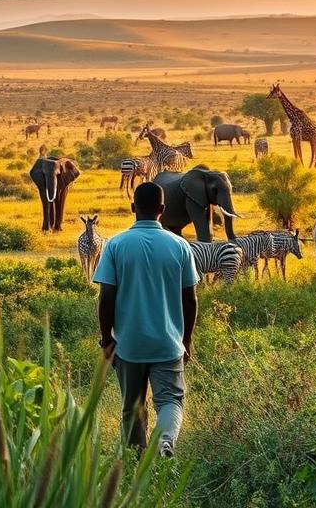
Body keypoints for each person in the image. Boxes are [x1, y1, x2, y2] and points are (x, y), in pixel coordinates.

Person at [93, 181, 199, 458]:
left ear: (132, 208)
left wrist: (107, 340)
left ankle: (135, 462)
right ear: (163, 209)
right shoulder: (180, 246)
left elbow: (106, 298)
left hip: (128, 345)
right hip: (168, 344)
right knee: (171, 400)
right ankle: (165, 440)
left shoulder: (116, 245)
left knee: (132, 407)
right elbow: (190, 299)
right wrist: (186, 339)